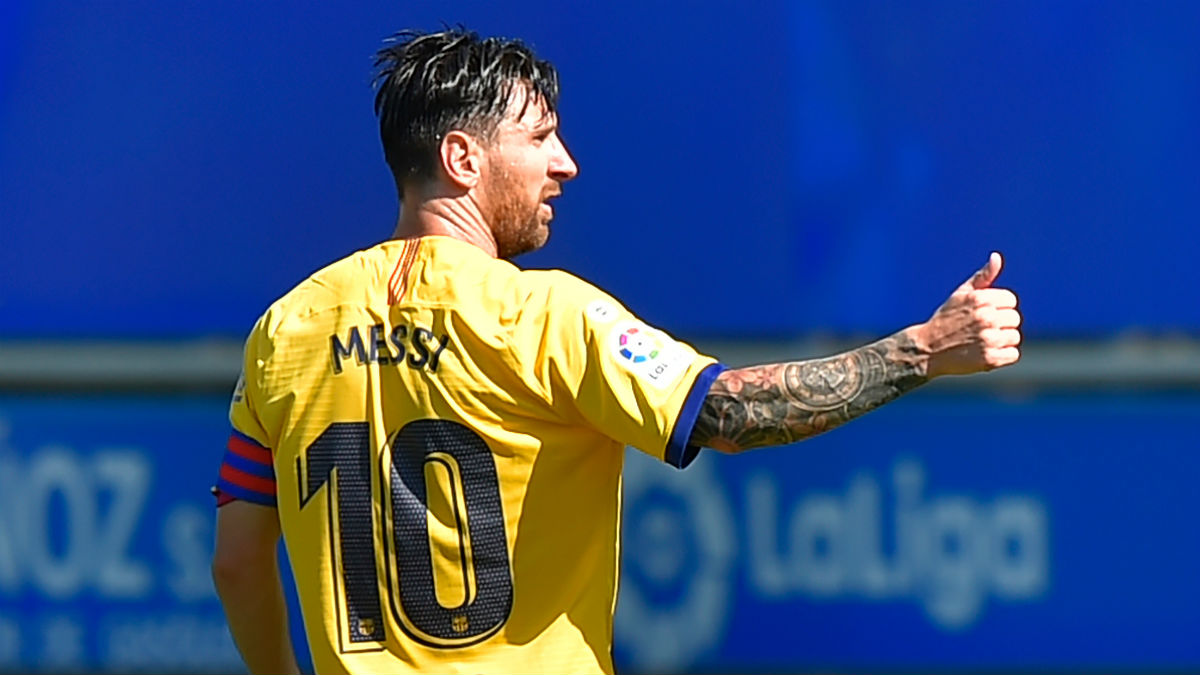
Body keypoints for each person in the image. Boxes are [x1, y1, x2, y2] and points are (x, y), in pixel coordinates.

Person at [210, 28, 1022, 675]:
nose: (566, 163)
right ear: (463, 158)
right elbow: (732, 413)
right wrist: (923, 350)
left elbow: (239, 563)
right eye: (541, 137)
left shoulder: (287, 329)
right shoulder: (544, 315)